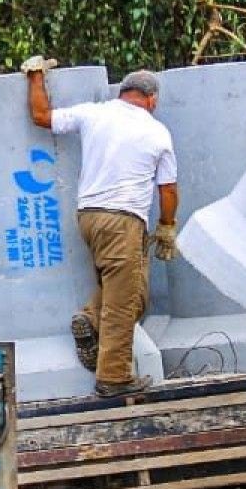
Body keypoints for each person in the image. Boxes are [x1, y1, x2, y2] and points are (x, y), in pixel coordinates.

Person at [23, 59, 180, 397]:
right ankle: (114, 378)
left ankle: (91, 319)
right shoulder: (156, 131)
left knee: (132, 293)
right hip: (124, 220)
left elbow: (41, 116)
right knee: (125, 303)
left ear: (123, 93)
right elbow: (167, 189)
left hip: (89, 217)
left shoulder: (93, 113)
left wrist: (35, 76)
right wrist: (167, 227)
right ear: (152, 99)